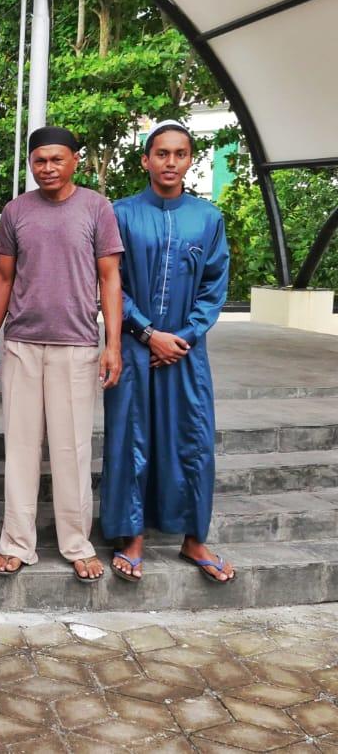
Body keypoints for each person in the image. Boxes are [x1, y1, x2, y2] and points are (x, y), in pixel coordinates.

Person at [0, 126, 124, 583]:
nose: (48, 168)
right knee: (20, 449)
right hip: (21, 343)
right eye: (40, 161)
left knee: (72, 450)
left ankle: (77, 544)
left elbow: (110, 278)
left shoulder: (97, 208)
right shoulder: (17, 211)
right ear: (31, 163)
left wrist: (112, 344)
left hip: (77, 344)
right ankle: (17, 543)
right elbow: (2, 279)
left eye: (57, 159)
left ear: (75, 160)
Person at [102, 121, 234, 584]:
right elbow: (111, 281)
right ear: (146, 160)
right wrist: (145, 333)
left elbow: (215, 286)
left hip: (185, 352)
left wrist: (183, 337)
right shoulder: (119, 214)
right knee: (130, 438)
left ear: (189, 160)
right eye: (161, 154)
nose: (170, 162)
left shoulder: (208, 218)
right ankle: (131, 537)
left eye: (179, 154)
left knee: (192, 440)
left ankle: (194, 538)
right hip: (136, 349)